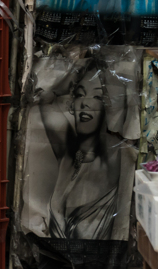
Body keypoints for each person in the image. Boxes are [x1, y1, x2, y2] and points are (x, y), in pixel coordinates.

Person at [37, 58, 125, 240]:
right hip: (56, 254)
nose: (85, 103)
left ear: (108, 106)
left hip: (97, 256)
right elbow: (45, 98)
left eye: (97, 97)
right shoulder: (68, 153)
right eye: (80, 94)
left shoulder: (115, 155)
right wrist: (76, 63)